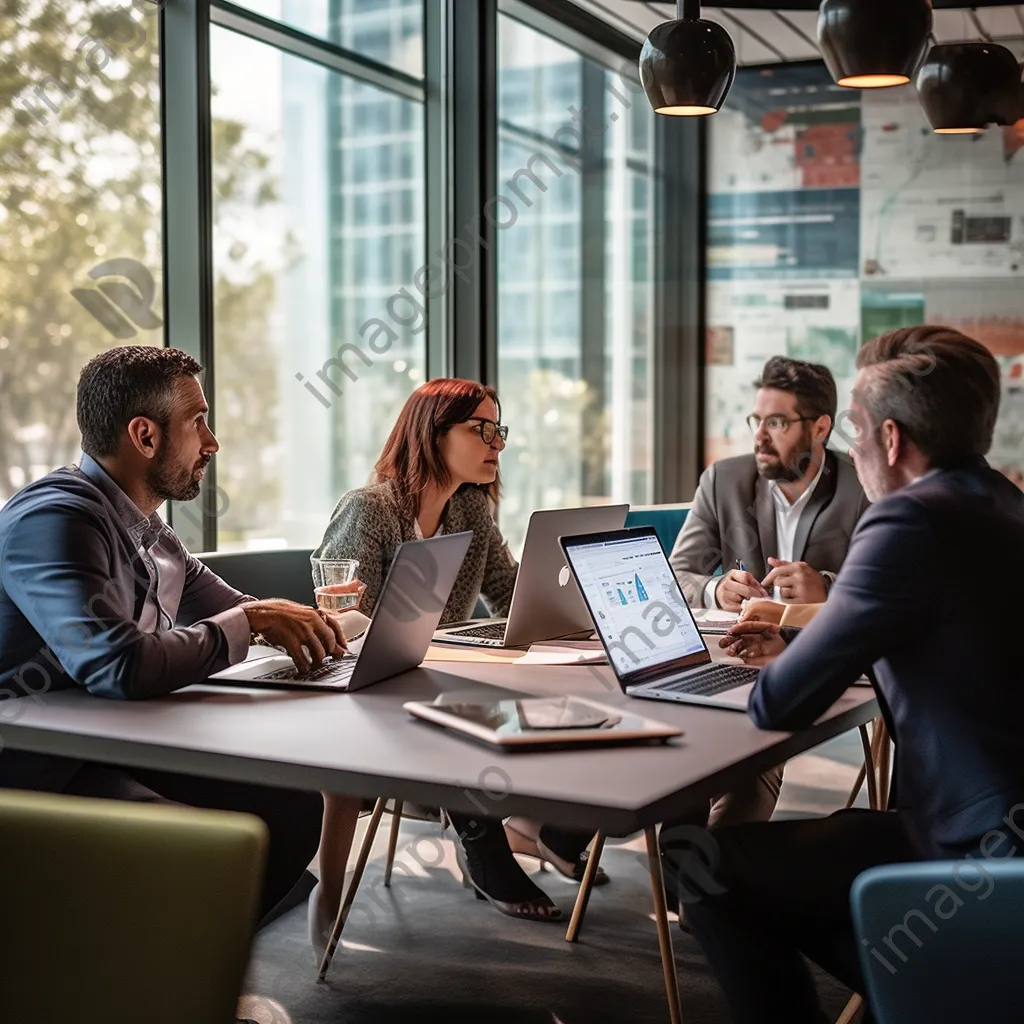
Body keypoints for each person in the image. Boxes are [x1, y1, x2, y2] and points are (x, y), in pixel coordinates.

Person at [673, 327, 1024, 1024]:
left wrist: (803, 648)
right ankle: (929, 991)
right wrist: (819, 638)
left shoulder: (906, 520)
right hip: (998, 833)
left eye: (857, 431)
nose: (853, 449)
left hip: (972, 855)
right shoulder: (1004, 503)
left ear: (891, 441)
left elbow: (778, 704)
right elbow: (951, 640)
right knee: (834, 840)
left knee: (706, 868)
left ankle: (944, 988)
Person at [0, 347, 363, 990]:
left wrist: (324, 633)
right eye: (199, 420)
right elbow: (116, 663)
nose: (213, 441)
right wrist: (253, 624)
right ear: (144, 434)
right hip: (37, 762)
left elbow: (244, 613)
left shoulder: (152, 533)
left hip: (114, 738)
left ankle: (175, 980)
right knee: (196, 843)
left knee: (290, 807)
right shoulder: (54, 517)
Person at [314, 377, 606, 924]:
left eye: (500, 430)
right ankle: (487, 849)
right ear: (433, 434)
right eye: (483, 430)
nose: (498, 444)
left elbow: (508, 590)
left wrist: (569, 605)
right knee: (454, 698)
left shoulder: (469, 511)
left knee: (586, 687)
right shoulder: (369, 509)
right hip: (378, 692)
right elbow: (348, 628)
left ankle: (558, 828)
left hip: (446, 673)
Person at [665, 356, 870, 837]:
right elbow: (675, 575)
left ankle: (712, 876)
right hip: (729, 654)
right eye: (757, 420)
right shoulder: (725, 480)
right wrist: (716, 588)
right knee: (680, 725)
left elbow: (887, 589)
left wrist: (828, 587)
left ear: (821, 427)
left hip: (814, 662)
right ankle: (694, 874)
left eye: (776, 422)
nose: (759, 435)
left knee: (752, 746)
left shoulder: (863, 486)